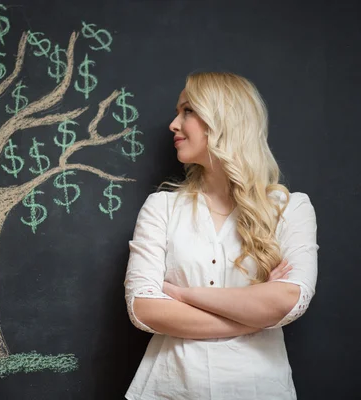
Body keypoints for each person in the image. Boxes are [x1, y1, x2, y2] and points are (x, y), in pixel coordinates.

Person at [124, 71, 319, 400]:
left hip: (260, 390)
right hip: (167, 390)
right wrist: (250, 318)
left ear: (223, 118)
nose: (174, 124)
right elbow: (143, 308)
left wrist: (185, 295)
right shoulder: (162, 207)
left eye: (188, 111)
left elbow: (288, 301)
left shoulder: (290, 208)